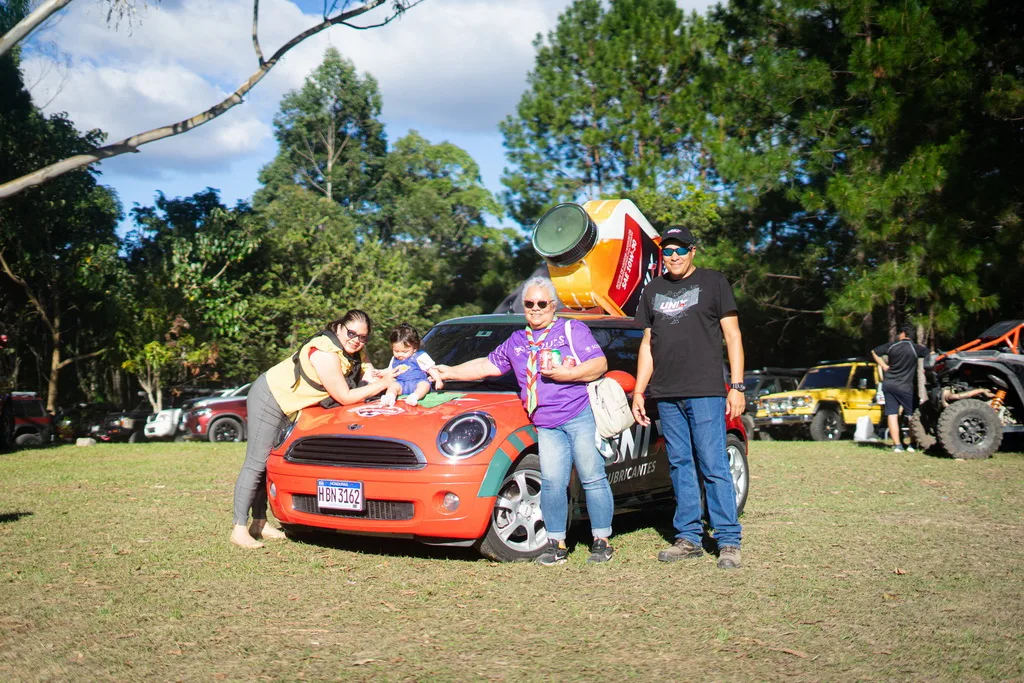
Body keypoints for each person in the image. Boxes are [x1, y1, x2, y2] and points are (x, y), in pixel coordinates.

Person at [431, 277, 616, 565]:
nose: (535, 309)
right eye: (530, 304)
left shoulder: (571, 329)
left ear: (553, 306)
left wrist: (568, 375)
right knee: (553, 483)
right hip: (545, 422)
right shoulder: (518, 340)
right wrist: (449, 372)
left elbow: (599, 364)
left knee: (592, 478)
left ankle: (601, 541)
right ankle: (557, 545)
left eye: (542, 303)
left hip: (579, 414)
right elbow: (487, 365)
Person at [230, 310, 397, 549]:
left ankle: (259, 523)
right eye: (351, 333)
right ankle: (238, 528)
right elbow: (344, 396)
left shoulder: (355, 349)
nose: (357, 340)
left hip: (291, 405)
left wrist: (388, 375)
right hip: (270, 397)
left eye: (363, 337)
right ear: (339, 328)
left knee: (268, 464)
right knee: (256, 463)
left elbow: (368, 375)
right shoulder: (325, 353)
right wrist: (383, 384)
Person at [631, 226, 746, 570]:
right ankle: (689, 537)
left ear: (693, 251)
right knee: (680, 465)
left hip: (706, 391)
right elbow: (647, 345)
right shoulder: (653, 290)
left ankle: (728, 539)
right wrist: (639, 389)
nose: (674, 257)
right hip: (666, 393)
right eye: (668, 251)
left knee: (712, 463)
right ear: (662, 255)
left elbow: (733, 336)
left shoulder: (713, 282)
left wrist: (737, 387)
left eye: (681, 250)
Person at [871, 322, 929, 453]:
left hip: (889, 384)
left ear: (903, 333)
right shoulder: (915, 348)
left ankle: (897, 445)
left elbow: (874, 352)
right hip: (906, 387)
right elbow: (929, 353)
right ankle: (912, 444)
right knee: (911, 415)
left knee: (892, 414)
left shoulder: (892, 346)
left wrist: (884, 366)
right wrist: (927, 368)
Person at [379, 323, 434, 407]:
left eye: (404, 352)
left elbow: (431, 369)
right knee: (393, 386)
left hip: (417, 382)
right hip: (402, 384)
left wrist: (438, 379)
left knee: (425, 385)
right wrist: (380, 372)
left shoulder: (420, 357)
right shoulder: (394, 360)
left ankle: (414, 396)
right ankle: (390, 397)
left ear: (415, 348)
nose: (400, 354)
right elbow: (390, 371)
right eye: (396, 351)